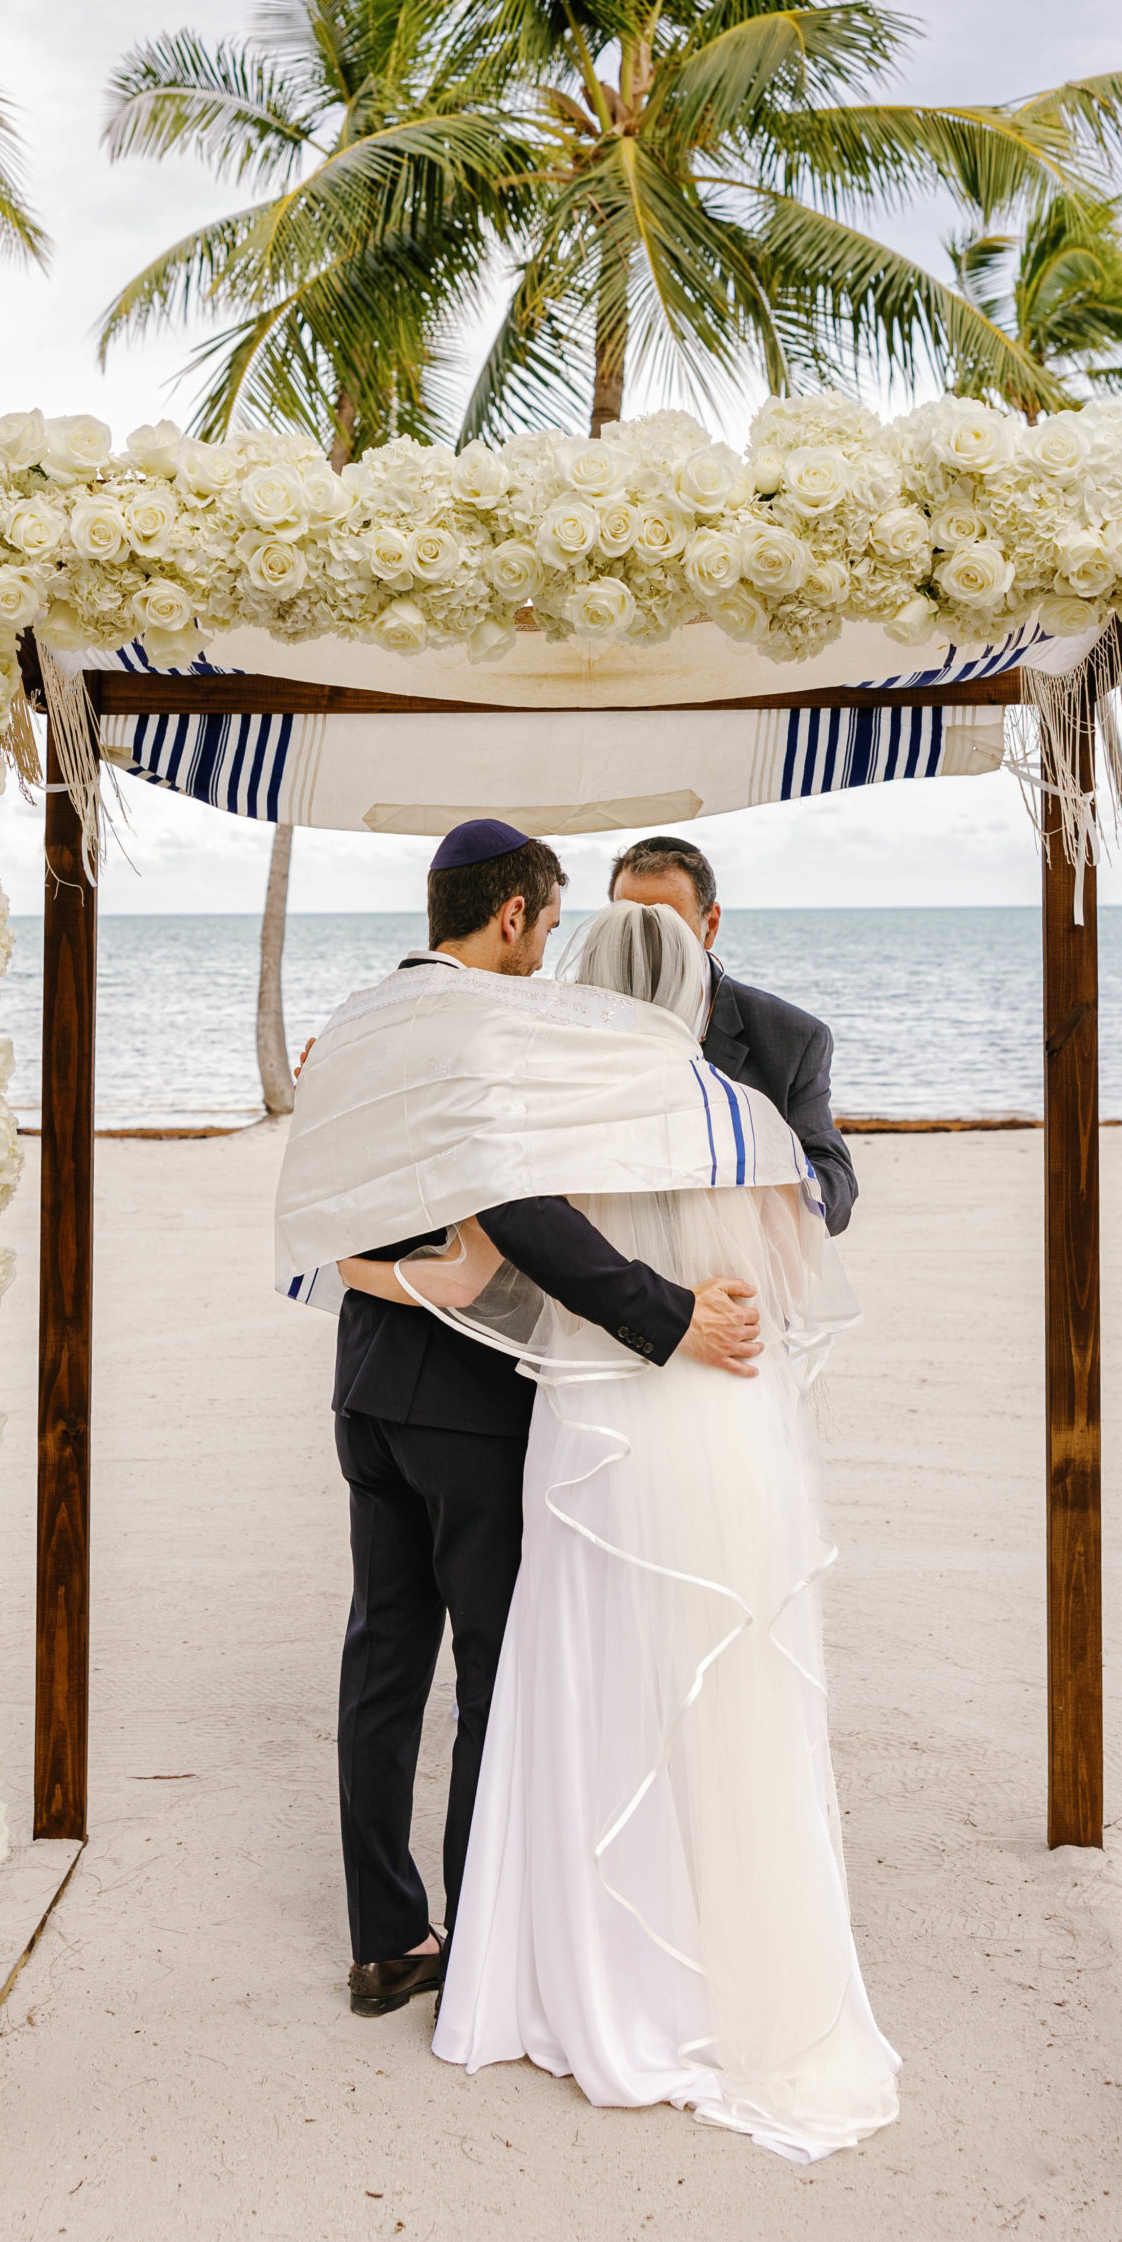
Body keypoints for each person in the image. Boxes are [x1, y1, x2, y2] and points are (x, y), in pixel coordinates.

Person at [421, 901, 899, 2160]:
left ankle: (578, 1975)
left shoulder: (561, 1116)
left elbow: (518, 1261)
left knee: (593, 1672)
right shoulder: (742, 1113)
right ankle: (728, 1971)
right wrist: (722, 1296)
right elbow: (794, 1282)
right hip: (728, 1420)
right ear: (696, 996)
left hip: (603, 1423)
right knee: (728, 1687)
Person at [324, 820, 767, 2020]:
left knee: (381, 1660)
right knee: (489, 1671)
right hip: (464, 1402)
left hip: (365, 1382)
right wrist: (667, 1314)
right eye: (550, 924)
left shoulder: (362, 1019)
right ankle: (479, 1940)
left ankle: (381, 1940)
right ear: (511, 915)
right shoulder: (482, 1025)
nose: (549, 955)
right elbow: (518, 1205)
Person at [609, 836, 857, 1236]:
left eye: (667, 925)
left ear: (710, 926)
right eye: (629, 922)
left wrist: (744, 1186)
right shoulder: (576, 1021)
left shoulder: (791, 1037)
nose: (645, 942)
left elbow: (836, 1190)